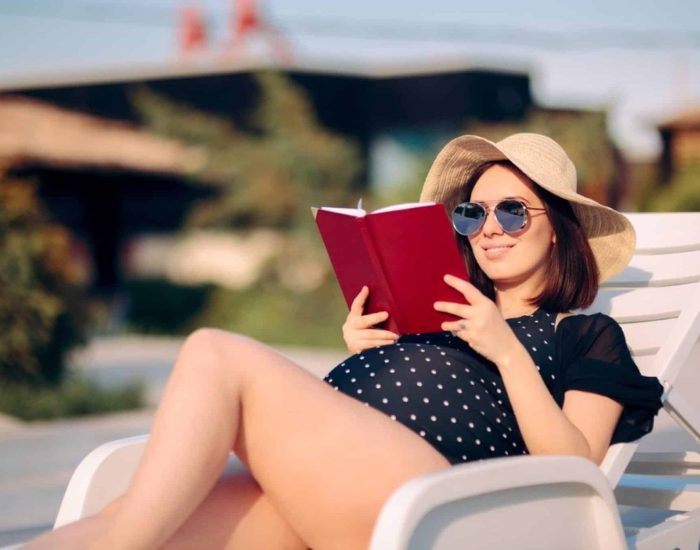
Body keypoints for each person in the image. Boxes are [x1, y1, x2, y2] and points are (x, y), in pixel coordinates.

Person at [26, 133, 663, 549]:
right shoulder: (438, 310)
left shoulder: (583, 334)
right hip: (341, 488)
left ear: (559, 229)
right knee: (125, 519)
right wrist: (371, 358)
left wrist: (504, 349)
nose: (489, 228)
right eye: (473, 213)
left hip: (444, 506)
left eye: (513, 211)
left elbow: (578, 469)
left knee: (215, 353)